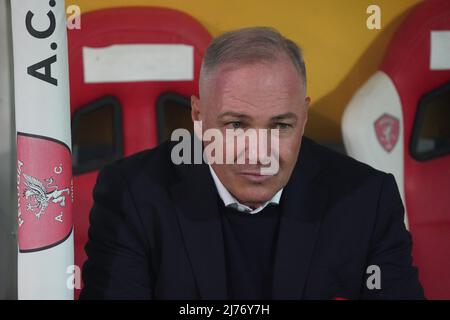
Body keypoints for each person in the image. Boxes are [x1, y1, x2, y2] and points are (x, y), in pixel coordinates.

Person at [80, 27, 424, 299]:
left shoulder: (366, 199)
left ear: (303, 119)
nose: (259, 154)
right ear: (198, 117)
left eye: (280, 126)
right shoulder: (132, 196)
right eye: (235, 125)